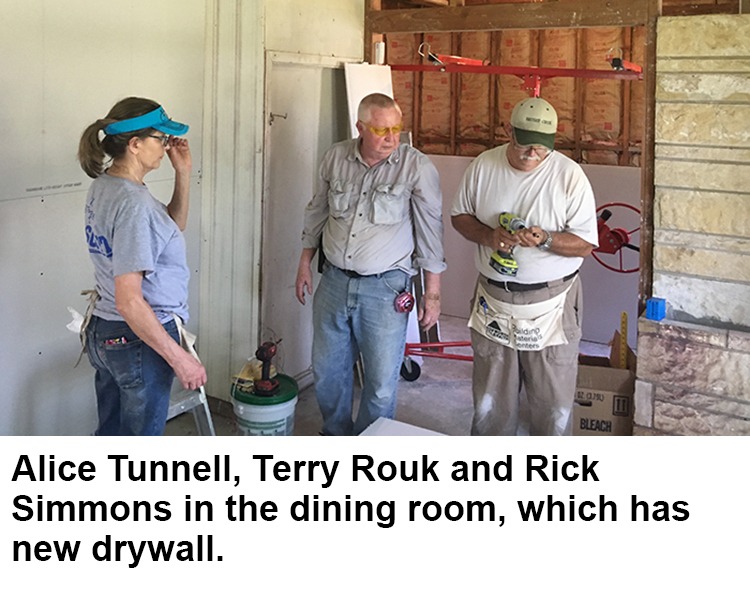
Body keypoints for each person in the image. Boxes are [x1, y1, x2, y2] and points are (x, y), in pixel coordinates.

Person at [295, 93, 446, 436]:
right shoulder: (335, 157)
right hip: (333, 282)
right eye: (382, 130)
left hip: (385, 288)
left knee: (380, 381)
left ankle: (369, 447)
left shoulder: (415, 166)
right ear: (360, 127)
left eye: (397, 128)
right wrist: (305, 262)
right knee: (328, 372)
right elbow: (316, 212)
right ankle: (336, 435)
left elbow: (430, 229)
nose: (392, 138)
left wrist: (432, 293)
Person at [451, 97, 598, 436]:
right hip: (494, 298)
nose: (533, 154)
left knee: (552, 407)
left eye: (542, 148)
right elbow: (460, 216)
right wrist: (489, 237)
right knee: (491, 405)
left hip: (550, 302)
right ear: (507, 131)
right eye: (524, 145)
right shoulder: (484, 166)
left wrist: (546, 239)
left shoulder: (569, 176)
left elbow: (587, 244)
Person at [78, 97, 206, 436]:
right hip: (137, 339)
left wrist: (183, 173)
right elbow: (130, 300)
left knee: (113, 434)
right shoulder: (134, 204)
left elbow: (170, 225)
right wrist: (180, 358)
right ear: (135, 145)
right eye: (160, 139)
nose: (166, 147)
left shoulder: (107, 185)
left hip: (106, 332)